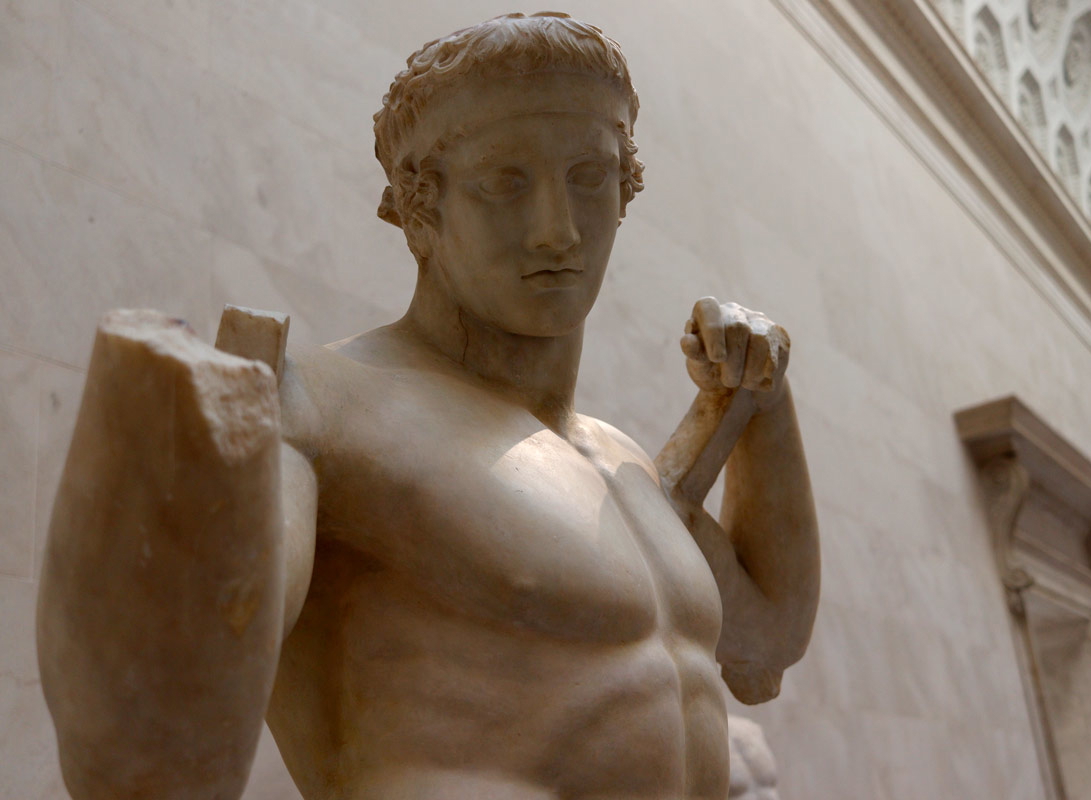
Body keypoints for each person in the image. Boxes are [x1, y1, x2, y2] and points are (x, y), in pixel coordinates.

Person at [39, 13, 819, 800]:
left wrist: (765, 400)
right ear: (419, 209)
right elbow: (159, 746)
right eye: (505, 182)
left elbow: (765, 644)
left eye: (588, 175)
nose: (557, 230)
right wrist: (168, 430)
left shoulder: (624, 462)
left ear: (625, 190)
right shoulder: (320, 411)